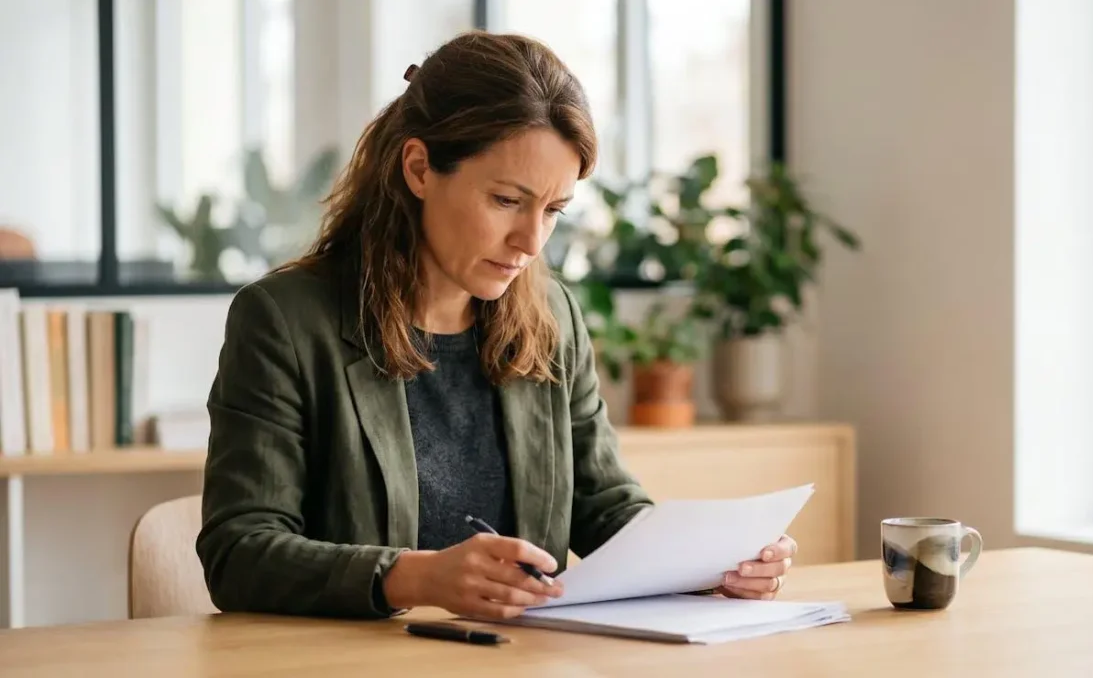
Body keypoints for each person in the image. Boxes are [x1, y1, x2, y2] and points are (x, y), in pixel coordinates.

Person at [195, 31, 796, 621]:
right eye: (507, 200)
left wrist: (710, 564)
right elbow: (239, 552)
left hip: (524, 660)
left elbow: (604, 506)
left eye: (553, 210)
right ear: (419, 169)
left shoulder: (553, 317)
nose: (531, 241)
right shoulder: (284, 321)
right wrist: (416, 577)